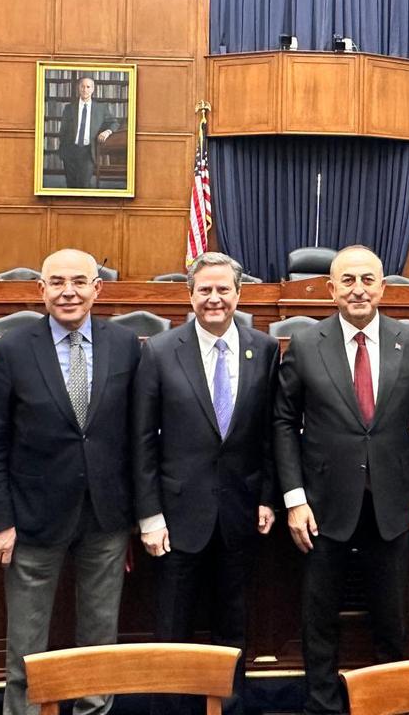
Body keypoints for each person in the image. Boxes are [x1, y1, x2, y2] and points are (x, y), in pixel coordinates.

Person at [0, 248, 143, 715]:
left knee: (99, 637)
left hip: (106, 514)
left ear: (97, 288)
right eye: (56, 282)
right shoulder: (11, 347)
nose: (68, 291)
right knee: (26, 644)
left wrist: (139, 512)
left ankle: (94, 710)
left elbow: (137, 435)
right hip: (32, 516)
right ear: (40, 290)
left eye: (78, 281)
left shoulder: (126, 344)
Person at [274, 245, 409, 715]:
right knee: (319, 616)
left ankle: (389, 703)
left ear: (383, 286)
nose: (358, 289)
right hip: (322, 505)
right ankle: (321, 706)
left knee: (392, 615)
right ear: (330, 289)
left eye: (368, 279)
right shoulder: (306, 344)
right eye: (347, 280)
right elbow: (283, 423)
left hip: (394, 502)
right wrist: (294, 499)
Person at [137, 252, 280, 715]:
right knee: (171, 626)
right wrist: (150, 515)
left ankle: (230, 707)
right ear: (190, 294)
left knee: (232, 625)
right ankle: (169, 708)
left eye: (223, 290)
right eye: (205, 290)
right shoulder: (160, 350)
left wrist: (266, 497)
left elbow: (269, 432)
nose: (214, 299)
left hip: (240, 512)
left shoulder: (265, 348)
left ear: (239, 295)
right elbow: (142, 441)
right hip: (177, 516)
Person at [57, 76, 118, 189]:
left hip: (88, 152)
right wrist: (65, 146)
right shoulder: (69, 108)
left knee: (84, 185)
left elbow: (114, 123)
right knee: (71, 185)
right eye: (82, 86)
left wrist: (107, 132)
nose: (85, 90)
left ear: (93, 89)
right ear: (78, 88)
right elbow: (63, 131)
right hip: (70, 151)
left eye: (88, 87)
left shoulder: (101, 108)